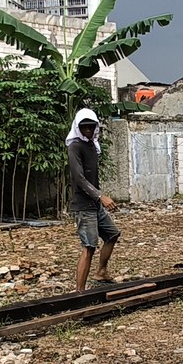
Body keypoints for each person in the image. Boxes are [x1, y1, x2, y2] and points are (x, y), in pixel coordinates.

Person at [66, 107, 121, 292]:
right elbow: (79, 178)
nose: (88, 130)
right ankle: (79, 292)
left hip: (94, 204)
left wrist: (98, 199)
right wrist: (100, 196)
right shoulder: (75, 147)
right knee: (89, 247)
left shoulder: (92, 145)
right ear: (78, 128)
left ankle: (101, 272)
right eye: (84, 127)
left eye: (91, 127)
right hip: (84, 205)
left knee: (112, 234)